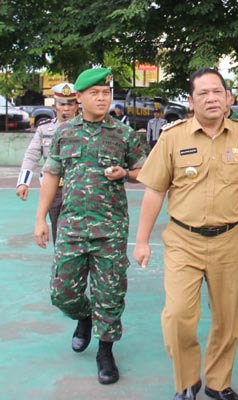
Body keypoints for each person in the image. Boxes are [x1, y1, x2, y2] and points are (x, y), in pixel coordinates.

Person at [133, 68, 238, 400]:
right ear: (191, 101)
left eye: (217, 92)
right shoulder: (172, 137)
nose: (211, 98)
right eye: (203, 93)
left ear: (227, 99)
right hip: (183, 240)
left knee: (226, 319)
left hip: (230, 240)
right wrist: (141, 239)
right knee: (178, 316)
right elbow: (154, 192)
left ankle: (218, 383)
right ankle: (187, 380)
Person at [33, 68, 147, 385]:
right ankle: (83, 316)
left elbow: (145, 171)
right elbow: (52, 174)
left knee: (110, 294)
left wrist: (124, 173)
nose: (101, 98)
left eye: (106, 92)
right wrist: (41, 217)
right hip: (71, 226)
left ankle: (105, 351)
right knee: (62, 293)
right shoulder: (63, 133)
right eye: (94, 92)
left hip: (110, 228)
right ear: (79, 98)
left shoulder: (123, 135)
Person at [17, 82, 78, 241]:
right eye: (62, 104)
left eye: (70, 103)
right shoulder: (44, 129)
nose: (66, 108)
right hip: (54, 190)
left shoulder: (85, 128)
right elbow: (32, 155)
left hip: (80, 189)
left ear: (77, 105)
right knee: (59, 236)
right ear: (55, 106)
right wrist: (23, 182)